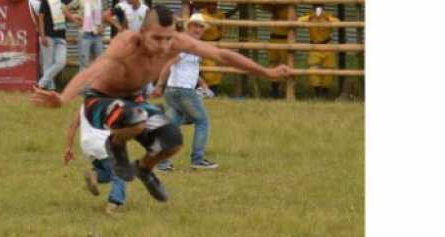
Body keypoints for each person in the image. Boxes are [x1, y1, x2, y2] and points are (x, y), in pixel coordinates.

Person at [31, 5, 292, 203]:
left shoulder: (177, 42)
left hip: (134, 100)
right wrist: (63, 98)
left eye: (168, 38)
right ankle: (116, 144)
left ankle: (144, 169)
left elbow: (221, 54)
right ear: (143, 33)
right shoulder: (126, 43)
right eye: (157, 38)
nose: (164, 46)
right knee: (135, 118)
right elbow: (93, 70)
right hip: (101, 100)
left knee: (173, 140)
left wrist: (266, 72)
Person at [152, 13, 217, 171]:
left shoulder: (192, 45)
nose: (199, 29)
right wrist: (159, 84)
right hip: (183, 91)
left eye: (201, 27)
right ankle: (197, 159)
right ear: (189, 26)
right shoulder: (184, 44)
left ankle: (162, 162)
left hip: (174, 90)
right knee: (202, 122)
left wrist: (202, 83)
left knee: (172, 126)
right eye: (196, 26)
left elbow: (189, 68)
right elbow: (168, 64)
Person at [64, 109, 127, 215]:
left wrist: (68, 147)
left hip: (87, 146)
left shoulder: (84, 106)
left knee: (108, 173)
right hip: (103, 144)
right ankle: (112, 206)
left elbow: (73, 125)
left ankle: (95, 175)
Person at [193, 1, 238, 96]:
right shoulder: (201, 14)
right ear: (206, 5)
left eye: (214, 4)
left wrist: (220, 42)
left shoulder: (220, 15)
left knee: (217, 68)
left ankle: (213, 90)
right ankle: (203, 89)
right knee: (207, 67)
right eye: (210, 4)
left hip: (216, 42)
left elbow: (221, 29)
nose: (212, 6)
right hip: (203, 43)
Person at [298, 3, 339, 99]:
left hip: (327, 46)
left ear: (324, 8)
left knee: (329, 70)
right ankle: (317, 92)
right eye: (316, 7)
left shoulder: (328, 16)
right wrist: (310, 17)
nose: (318, 9)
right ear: (312, 8)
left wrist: (326, 17)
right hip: (314, 47)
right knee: (313, 70)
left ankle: (325, 92)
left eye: (320, 7)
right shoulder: (309, 17)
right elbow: (298, 21)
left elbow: (337, 22)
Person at [36, 0, 80, 90]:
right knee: (48, 63)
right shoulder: (46, 1)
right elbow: (41, 18)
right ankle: (50, 88)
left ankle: (40, 84)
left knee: (61, 62)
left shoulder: (63, 1)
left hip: (61, 37)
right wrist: (42, 35)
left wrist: (77, 20)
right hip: (48, 35)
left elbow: (67, 12)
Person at [262, 2, 290, 98]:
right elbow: (264, 6)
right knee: (273, 63)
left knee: (286, 64)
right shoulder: (273, 6)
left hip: (285, 39)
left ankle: (286, 90)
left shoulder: (290, 7)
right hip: (273, 38)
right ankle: (274, 90)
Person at [70, 0, 106, 70]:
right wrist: (75, 20)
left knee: (100, 63)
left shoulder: (100, 1)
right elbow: (65, 9)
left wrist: (103, 27)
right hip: (85, 35)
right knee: (84, 64)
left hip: (97, 35)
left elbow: (104, 15)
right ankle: (84, 77)